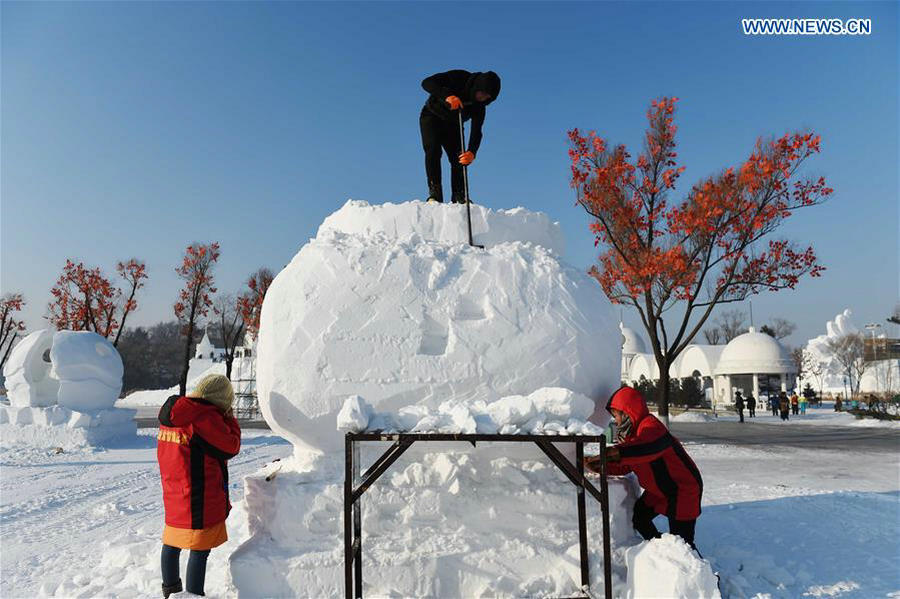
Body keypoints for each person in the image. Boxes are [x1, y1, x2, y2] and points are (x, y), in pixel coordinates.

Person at [585, 386, 703, 550]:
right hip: (658, 491)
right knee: (640, 518)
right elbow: (626, 465)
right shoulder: (632, 436)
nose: (616, 421)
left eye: (617, 415)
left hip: (682, 490)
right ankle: (661, 551)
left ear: (628, 412)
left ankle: (702, 575)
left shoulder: (651, 427)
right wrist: (596, 464)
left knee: (683, 545)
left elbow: (646, 448)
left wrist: (614, 453)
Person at [157, 374, 241, 598]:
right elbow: (231, 446)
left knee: (172, 543)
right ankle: (193, 595)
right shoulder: (204, 418)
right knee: (199, 549)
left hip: (174, 491)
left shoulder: (173, 414)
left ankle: (170, 591)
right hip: (199, 495)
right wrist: (230, 419)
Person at [420, 69, 501, 204]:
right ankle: (435, 193)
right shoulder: (459, 77)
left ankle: (459, 195)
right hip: (432, 116)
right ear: (478, 87)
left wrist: (472, 152)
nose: (483, 98)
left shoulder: (479, 107)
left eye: (488, 97)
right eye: (482, 93)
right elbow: (426, 83)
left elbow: (477, 131)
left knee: (459, 158)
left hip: (453, 125)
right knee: (433, 150)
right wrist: (447, 96)